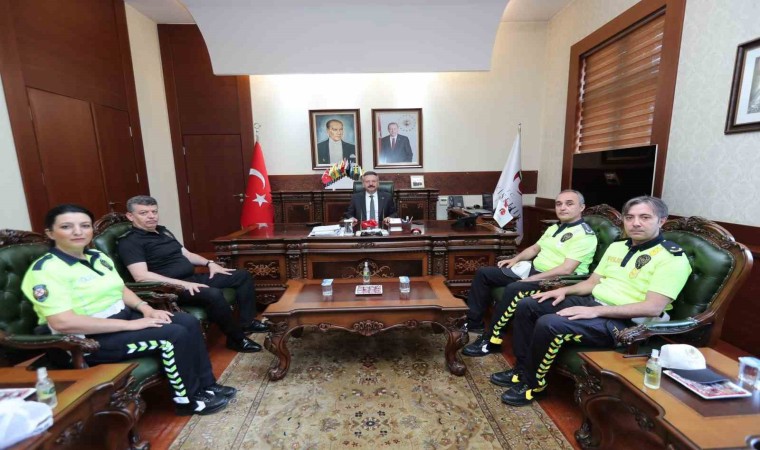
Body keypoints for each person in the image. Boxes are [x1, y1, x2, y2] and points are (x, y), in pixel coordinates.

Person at [21, 204, 233, 416]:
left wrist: (146, 308)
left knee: (188, 322)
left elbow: (121, 289)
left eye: (84, 225)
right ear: (50, 233)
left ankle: (207, 386)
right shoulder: (45, 270)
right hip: (86, 340)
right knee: (173, 335)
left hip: (121, 321)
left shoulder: (96, 257)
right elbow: (63, 322)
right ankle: (188, 400)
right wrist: (131, 324)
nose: (78, 232)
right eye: (67, 227)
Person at [496, 196, 692, 406]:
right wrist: (563, 291)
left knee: (550, 323)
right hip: (594, 302)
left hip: (627, 323)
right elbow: (591, 283)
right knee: (529, 304)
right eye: (630, 217)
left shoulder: (672, 258)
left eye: (645, 217)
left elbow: (652, 307)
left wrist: (595, 312)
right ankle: (521, 369)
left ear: (661, 221)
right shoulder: (618, 247)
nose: (635, 223)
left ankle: (533, 385)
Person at [118, 195, 267, 354]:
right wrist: (183, 284)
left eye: (154, 211)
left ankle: (247, 323)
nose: (151, 216)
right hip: (169, 287)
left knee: (242, 275)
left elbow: (187, 255)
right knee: (212, 294)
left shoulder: (163, 231)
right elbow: (141, 276)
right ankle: (236, 339)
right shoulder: (130, 242)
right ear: (130, 216)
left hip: (191, 279)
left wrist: (210, 263)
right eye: (144, 213)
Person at [462, 190, 598, 357]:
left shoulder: (584, 235)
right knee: (484, 273)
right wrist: (515, 259)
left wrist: (533, 278)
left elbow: (566, 269)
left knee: (514, 288)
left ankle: (492, 341)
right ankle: (474, 323)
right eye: (559, 204)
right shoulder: (555, 227)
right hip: (532, 271)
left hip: (556, 281)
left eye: (569, 204)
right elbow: (534, 248)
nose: (563, 208)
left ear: (582, 207)